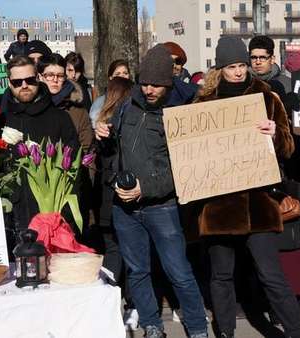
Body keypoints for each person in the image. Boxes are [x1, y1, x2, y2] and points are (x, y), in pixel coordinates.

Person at [189, 36, 300, 338]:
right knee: (222, 275)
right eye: (231, 66)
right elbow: (191, 152)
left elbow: (288, 148)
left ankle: (295, 331)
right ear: (220, 68)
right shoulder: (204, 104)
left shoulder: (267, 97)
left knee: (271, 273)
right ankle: (225, 331)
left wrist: (275, 133)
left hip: (258, 201)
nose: (239, 71)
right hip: (219, 204)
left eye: (242, 65)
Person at [93, 45, 207, 338]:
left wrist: (148, 188)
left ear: (168, 84)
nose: (149, 89)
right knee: (138, 272)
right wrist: (103, 139)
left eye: (155, 84)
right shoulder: (125, 107)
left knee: (179, 273)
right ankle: (152, 325)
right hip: (125, 209)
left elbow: (185, 169)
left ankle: (197, 329)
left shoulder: (179, 115)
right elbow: (112, 154)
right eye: (144, 83)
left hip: (163, 208)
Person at [1, 56, 79, 229]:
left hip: (53, 217)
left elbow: (74, 169)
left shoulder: (60, 118)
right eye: (17, 82)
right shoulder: (1, 120)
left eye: (29, 80)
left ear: (38, 78)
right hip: (15, 218)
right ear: (9, 82)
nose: (24, 85)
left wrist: (65, 217)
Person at [92, 76, 140, 330]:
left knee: (114, 253)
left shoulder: (101, 123)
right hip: (121, 199)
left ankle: (111, 306)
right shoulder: (112, 126)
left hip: (106, 201)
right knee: (128, 255)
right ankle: (129, 306)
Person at [37, 54, 93, 154]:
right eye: (50, 75)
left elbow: (87, 150)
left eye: (60, 76)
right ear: (40, 77)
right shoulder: (31, 106)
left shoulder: (78, 112)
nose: (55, 80)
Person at [89, 59, 131, 125]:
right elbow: (93, 123)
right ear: (111, 78)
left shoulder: (134, 99)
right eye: (118, 74)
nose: (122, 76)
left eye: (125, 73)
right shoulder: (101, 102)